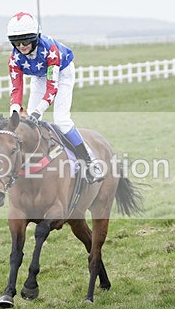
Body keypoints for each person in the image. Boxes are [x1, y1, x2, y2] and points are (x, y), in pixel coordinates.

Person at [6, 12, 104, 183]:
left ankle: (90, 162)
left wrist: (38, 112)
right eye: (16, 42)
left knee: (61, 121)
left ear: (35, 37)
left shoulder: (50, 49)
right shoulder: (14, 58)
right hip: (39, 76)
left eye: (26, 40)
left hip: (62, 73)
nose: (21, 46)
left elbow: (52, 87)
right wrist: (14, 112)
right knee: (28, 124)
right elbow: (16, 89)